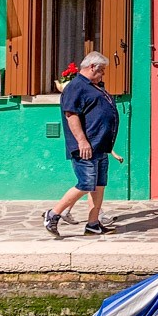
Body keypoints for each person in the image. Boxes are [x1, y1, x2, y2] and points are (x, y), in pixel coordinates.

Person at [43, 51, 119, 237]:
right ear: (92, 67)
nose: (103, 74)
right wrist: (82, 141)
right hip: (86, 147)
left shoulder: (95, 87)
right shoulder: (76, 86)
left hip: (100, 146)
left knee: (99, 185)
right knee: (86, 183)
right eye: (101, 70)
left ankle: (93, 224)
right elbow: (71, 115)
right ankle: (52, 214)